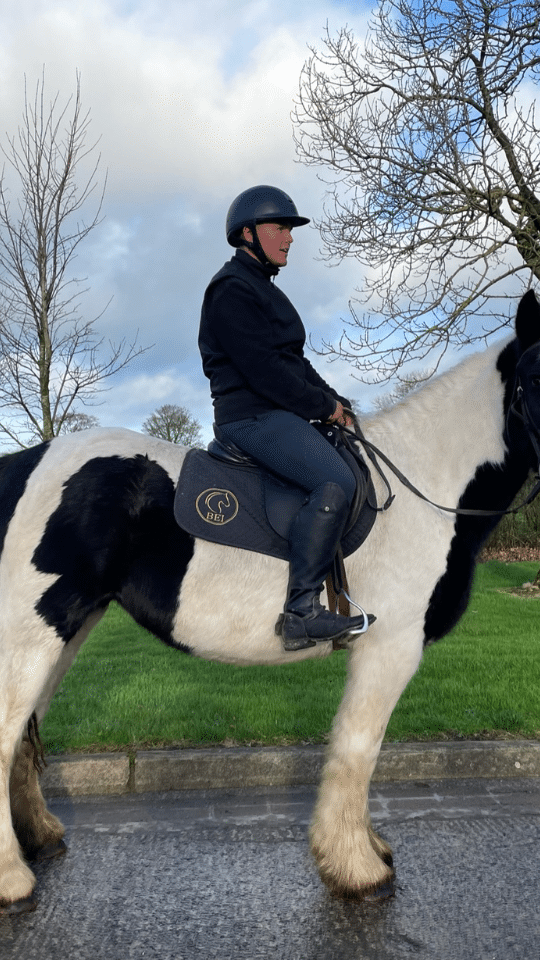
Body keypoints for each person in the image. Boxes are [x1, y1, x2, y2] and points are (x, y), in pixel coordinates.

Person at [198, 185, 374, 652]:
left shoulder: (264, 290)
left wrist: (337, 403)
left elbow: (296, 365)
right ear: (248, 234)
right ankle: (301, 611)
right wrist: (321, 408)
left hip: (275, 410)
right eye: (280, 228)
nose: (289, 238)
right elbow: (265, 373)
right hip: (251, 417)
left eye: (289, 230)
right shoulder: (230, 291)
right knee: (335, 480)